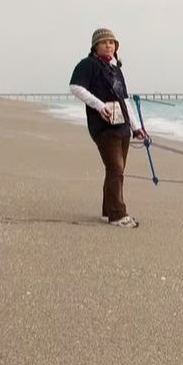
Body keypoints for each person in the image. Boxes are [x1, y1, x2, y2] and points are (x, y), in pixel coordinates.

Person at [69, 28, 147, 228]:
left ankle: (108, 209)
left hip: (122, 127)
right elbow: (75, 87)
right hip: (103, 127)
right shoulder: (88, 65)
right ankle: (117, 214)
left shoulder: (116, 69)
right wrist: (99, 105)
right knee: (115, 168)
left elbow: (126, 100)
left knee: (116, 170)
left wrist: (137, 127)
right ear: (95, 46)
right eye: (104, 42)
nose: (108, 45)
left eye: (112, 42)